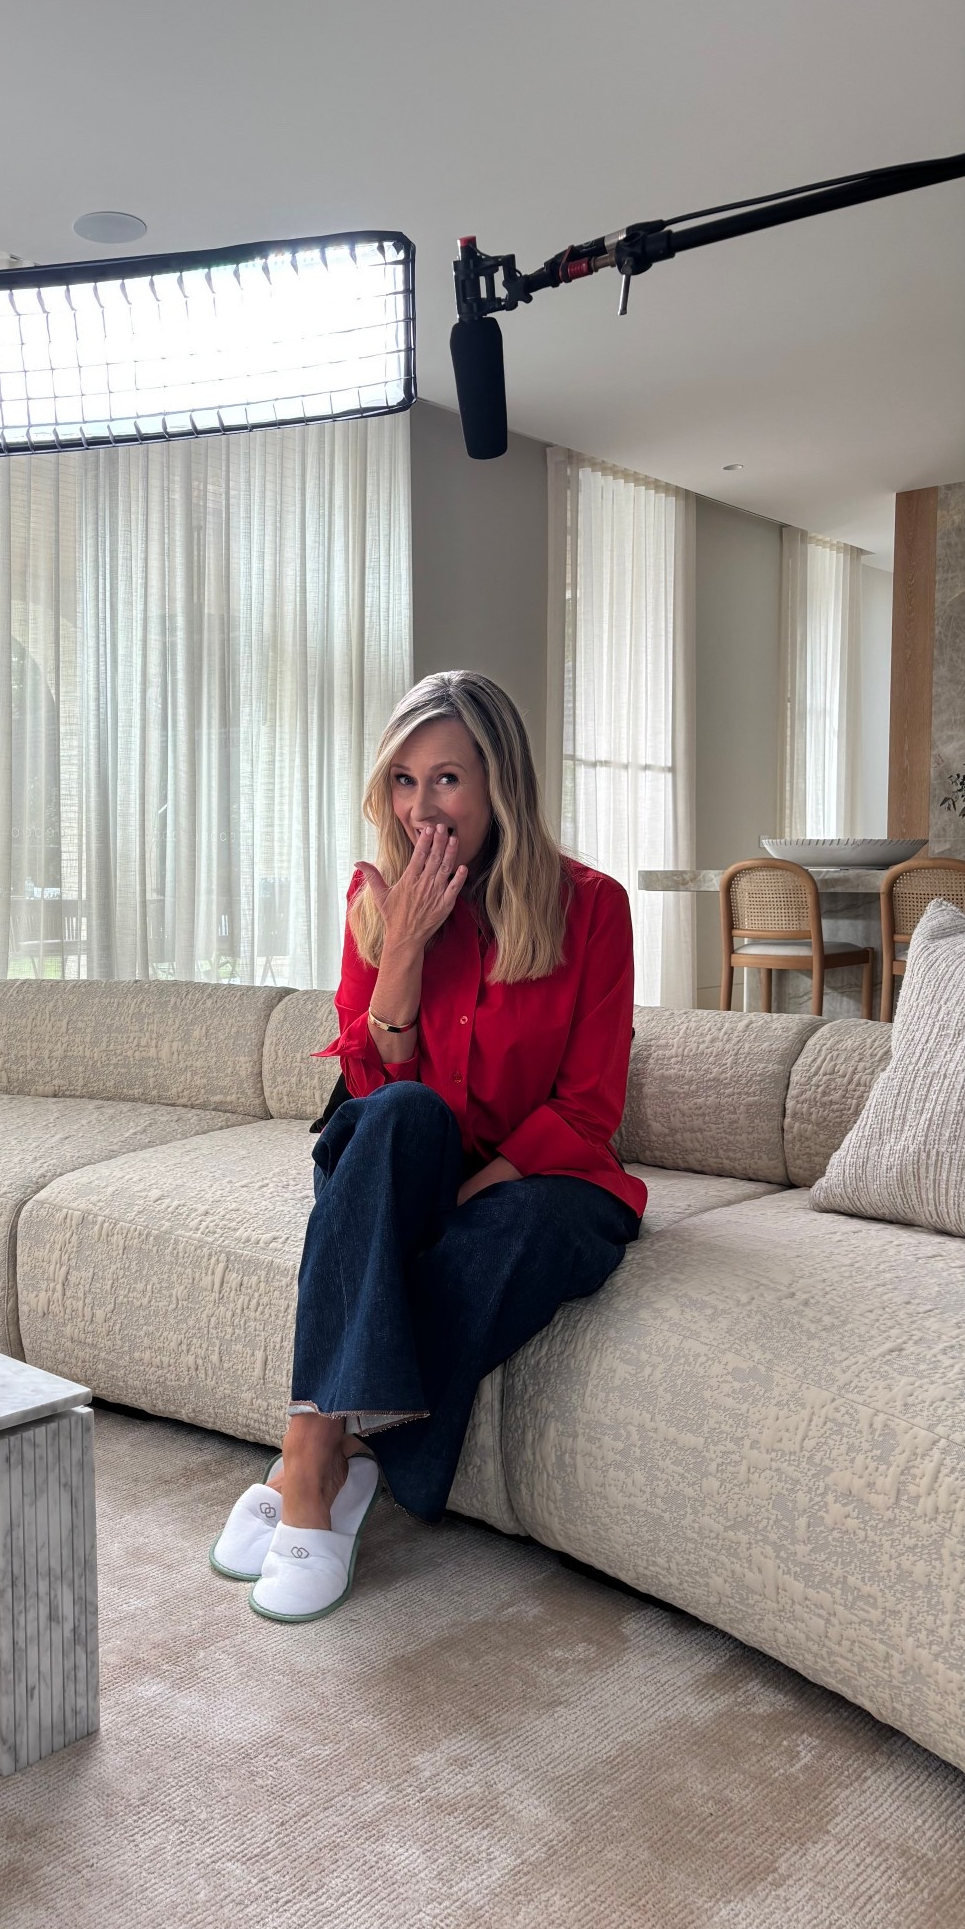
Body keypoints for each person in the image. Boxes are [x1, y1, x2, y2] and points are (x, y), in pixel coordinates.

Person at [209, 669, 646, 1622]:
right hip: (407, 1155)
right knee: (400, 1119)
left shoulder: (593, 907)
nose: (421, 808)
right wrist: (401, 949)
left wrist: (465, 1197)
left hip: (545, 1179)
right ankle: (318, 1456)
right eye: (402, 782)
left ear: (499, 784)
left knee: (517, 1228)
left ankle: (326, 1457)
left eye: (445, 779)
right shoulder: (377, 900)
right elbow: (374, 1095)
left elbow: (585, 1112)